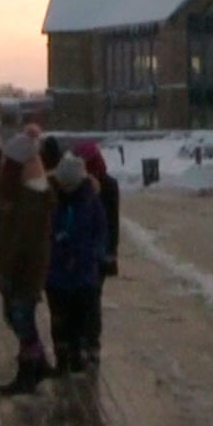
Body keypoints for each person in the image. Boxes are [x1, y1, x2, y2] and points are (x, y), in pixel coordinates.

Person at [0, 132, 55, 395]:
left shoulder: (31, 197)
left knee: (20, 317)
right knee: (16, 316)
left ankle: (29, 371)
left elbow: (22, 239)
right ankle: (37, 363)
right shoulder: (24, 192)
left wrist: (10, 270)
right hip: (20, 266)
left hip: (23, 268)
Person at [45, 154, 108, 375]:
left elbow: (100, 233)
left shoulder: (91, 202)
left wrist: (87, 255)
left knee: (79, 318)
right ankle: (62, 358)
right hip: (57, 273)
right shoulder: (54, 200)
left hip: (82, 274)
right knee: (59, 320)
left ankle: (77, 354)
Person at [72, 141, 121, 359]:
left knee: (92, 296)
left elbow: (113, 221)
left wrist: (110, 251)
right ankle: (84, 339)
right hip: (81, 250)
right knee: (83, 295)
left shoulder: (108, 185)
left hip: (99, 252)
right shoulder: (78, 183)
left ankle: (91, 342)